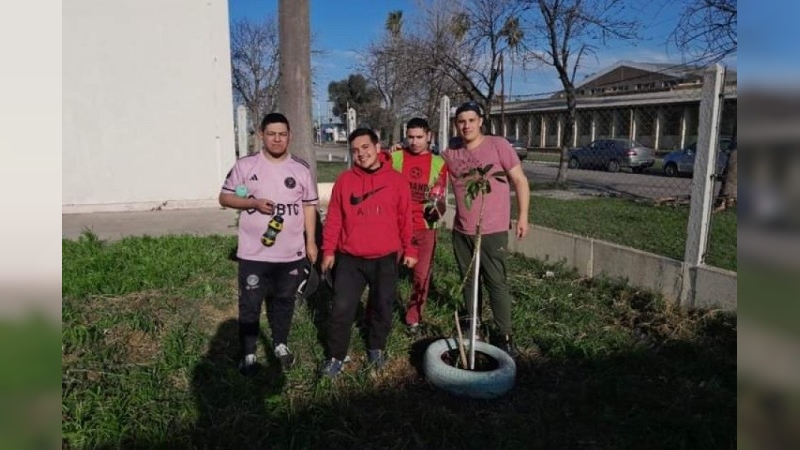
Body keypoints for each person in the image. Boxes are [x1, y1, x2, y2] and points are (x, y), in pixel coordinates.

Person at [219, 112, 319, 376]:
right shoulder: (245, 165)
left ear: (290, 136)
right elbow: (225, 198)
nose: (277, 139)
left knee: (285, 301)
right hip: (254, 253)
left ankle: (280, 344)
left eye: (282, 134)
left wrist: (311, 243)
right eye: (272, 134)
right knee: (250, 303)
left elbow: (309, 207)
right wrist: (252, 203)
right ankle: (249, 353)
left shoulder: (301, 168)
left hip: (290, 253)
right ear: (262, 134)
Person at [320, 127, 418, 377]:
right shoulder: (345, 181)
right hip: (350, 259)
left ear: (377, 147)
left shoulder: (396, 180)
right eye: (355, 150)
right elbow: (334, 218)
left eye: (365, 147)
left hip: (385, 258)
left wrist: (410, 248)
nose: (361, 154)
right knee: (341, 308)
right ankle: (336, 356)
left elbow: (406, 217)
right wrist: (328, 250)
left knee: (382, 307)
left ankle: (376, 348)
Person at [441, 101, 530, 357]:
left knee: (496, 282)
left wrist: (523, 216)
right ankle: (473, 324)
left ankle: (504, 334)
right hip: (462, 231)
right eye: (461, 121)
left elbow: (520, 180)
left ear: (480, 121)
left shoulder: (498, 145)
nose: (466, 125)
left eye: (471, 120)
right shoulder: (452, 152)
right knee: (469, 281)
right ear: (456, 125)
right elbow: (430, 166)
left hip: (492, 230)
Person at [390, 118, 448, 335]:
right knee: (387, 274)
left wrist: (437, 211)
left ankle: (413, 319)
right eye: (410, 137)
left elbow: (441, 200)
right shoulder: (394, 157)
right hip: (396, 226)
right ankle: (381, 312)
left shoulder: (439, 164)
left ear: (429, 136)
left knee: (421, 277)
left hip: (425, 227)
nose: (414, 142)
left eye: (419, 137)